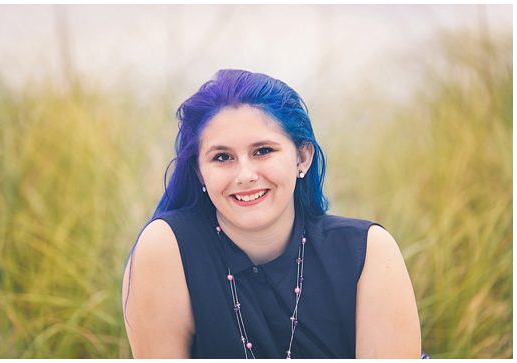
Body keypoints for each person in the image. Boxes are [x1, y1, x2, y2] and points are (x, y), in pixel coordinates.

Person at [122, 70, 421, 358]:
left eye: (263, 151)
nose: (245, 175)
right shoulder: (166, 249)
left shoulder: (367, 251)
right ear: (200, 173)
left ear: (302, 157)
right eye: (222, 157)